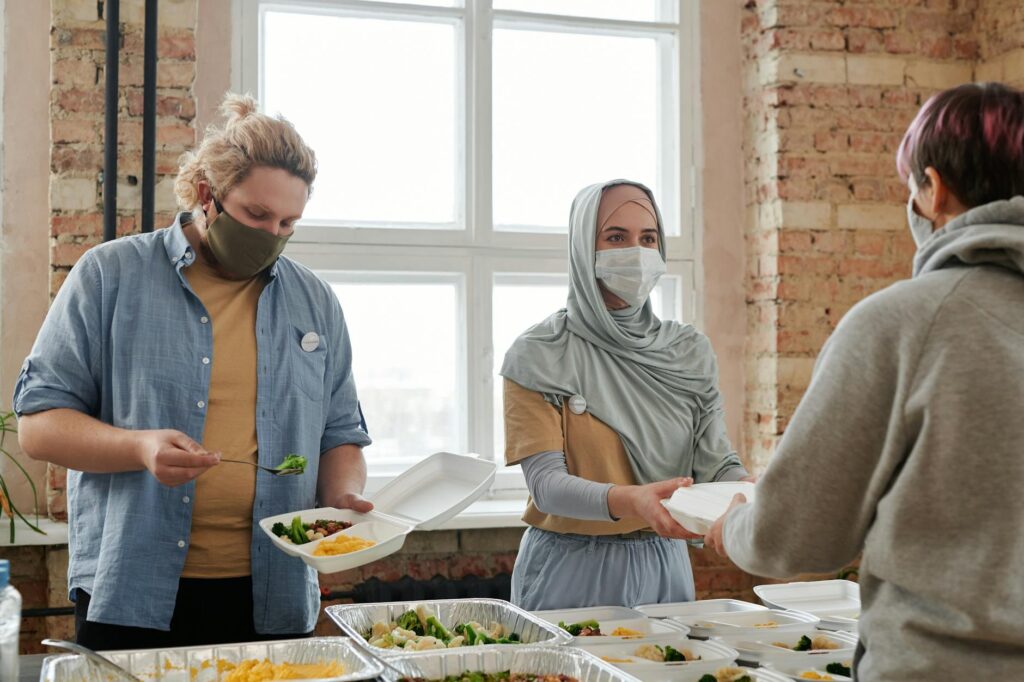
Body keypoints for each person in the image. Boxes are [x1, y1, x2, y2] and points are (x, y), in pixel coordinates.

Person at [14, 94, 372, 647]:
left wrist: (343, 501)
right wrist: (139, 448)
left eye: (288, 222)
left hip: (271, 597)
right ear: (208, 194)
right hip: (132, 591)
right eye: (256, 215)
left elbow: (341, 435)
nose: (272, 234)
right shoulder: (110, 275)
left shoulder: (315, 302)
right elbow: (39, 426)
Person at [705, 82, 1024, 679]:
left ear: (933, 189)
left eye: (912, 186)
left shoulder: (904, 323)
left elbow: (795, 534)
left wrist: (736, 526)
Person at [501, 180, 751, 611]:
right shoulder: (539, 354)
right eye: (616, 237)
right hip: (570, 566)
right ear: (583, 247)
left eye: (648, 238)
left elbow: (715, 463)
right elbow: (546, 486)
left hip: (665, 563)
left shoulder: (688, 352)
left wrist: (747, 496)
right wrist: (632, 499)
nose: (636, 252)